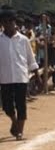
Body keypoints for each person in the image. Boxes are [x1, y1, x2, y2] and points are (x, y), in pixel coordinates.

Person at [1, 7, 36, 140]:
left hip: (20, 76)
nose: (7, 25)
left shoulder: (23, 39)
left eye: (10, 21)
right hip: (5, 77)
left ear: (14, 22)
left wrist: (36, 74)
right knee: (7, 105)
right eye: (4, 22)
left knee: (21, 104)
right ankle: (14, 121)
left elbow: (30, 58)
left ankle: (20, 130)